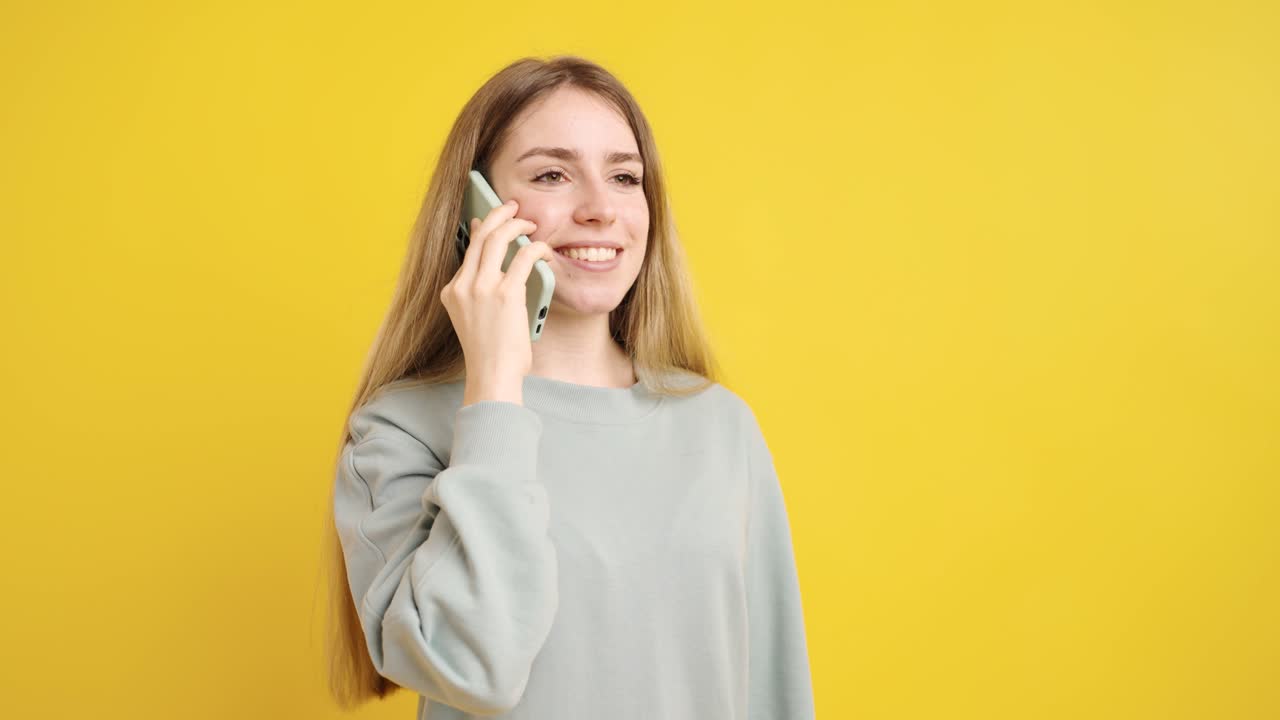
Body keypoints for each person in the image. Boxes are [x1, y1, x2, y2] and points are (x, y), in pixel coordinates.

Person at [322, 54, 814, 719]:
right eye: (553, 174)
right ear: (476, 209)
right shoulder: (398, 430)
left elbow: (772, 687)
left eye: (624, 177)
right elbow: (474, 669)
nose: (600, 210)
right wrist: (495, 387)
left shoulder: (719, 425)